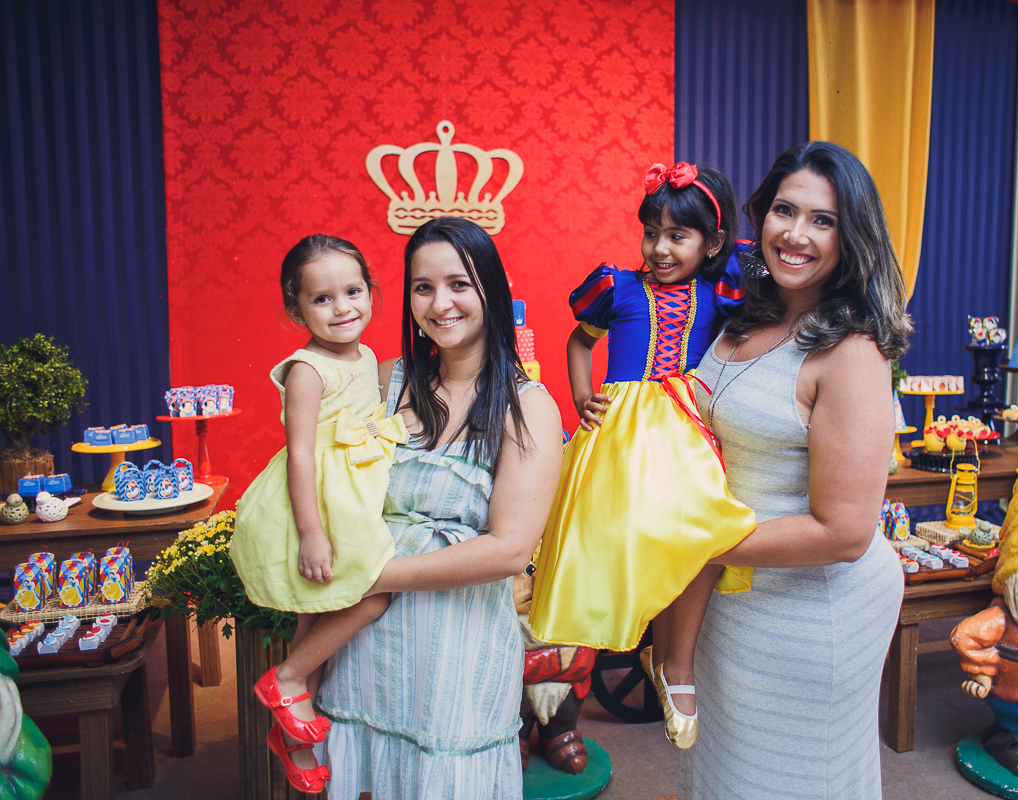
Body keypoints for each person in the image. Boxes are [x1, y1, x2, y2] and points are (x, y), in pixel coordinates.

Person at [680, 141, 913, 799]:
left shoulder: (852, 352)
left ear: (852, 237)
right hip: (732, 593)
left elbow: (844, 532)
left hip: (811, 612)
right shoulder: (745, 316)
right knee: (723, 773)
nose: (795, 234)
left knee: (783, 779)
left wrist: (693, 542)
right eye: (785, 209)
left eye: (823, 220)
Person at [313, 217, 562, 800]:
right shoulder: (386, 381)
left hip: (457, 646)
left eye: (459, 284)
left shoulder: (527, 409)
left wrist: (376, 574)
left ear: (490, 291)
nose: (440, 303)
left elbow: (509, 551)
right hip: (366, 643)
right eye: (423, 287)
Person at [529, 162, 757, 749]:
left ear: (711, 243)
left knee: (690, 529)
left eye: (677, 235)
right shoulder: (618, 287)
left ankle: (674, 660)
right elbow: (580, 341)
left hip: (685, 428)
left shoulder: (718, 293)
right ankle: (634, 642)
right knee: (625, 532)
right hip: (623, 435)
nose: (659, 247)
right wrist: (582, 393)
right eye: (651, 232)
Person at [230, 234, 408, 793]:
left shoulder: (367, 356)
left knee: (320, 616)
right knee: (372, 593)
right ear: (295, 308)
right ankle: (284, 679)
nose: (342, 308)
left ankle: (293, 733)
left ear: (371, 292)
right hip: (321, 505)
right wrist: (311, 533)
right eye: (322, 299)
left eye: (353, 291)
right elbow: (301, 453)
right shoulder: (306, 369)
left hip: (357, 493)